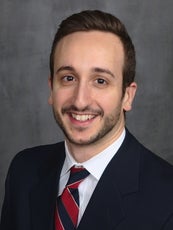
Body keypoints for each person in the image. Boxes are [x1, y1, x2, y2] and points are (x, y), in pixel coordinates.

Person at [1, 10, 173, 230]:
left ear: (127, 96)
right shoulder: (24, 171)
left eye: (100, 81)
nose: (80, 101)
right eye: (68, 78)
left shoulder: (167, 199)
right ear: (51, 89)